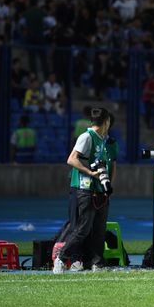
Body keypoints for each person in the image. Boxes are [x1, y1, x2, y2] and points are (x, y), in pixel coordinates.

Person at [53, 108, 118, 273]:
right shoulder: (87, 136)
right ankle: (61, 257)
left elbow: (111, 166)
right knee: (83, 228)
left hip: (101, 190)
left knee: (99, 229)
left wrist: (107, 185)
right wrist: (90, 173)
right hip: (86, 188)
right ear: (106, 122)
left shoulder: (105, 140)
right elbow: (71, 159)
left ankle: (97, 263)